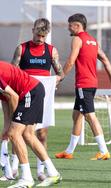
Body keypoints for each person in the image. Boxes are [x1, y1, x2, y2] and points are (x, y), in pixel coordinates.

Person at [5, 18, 63, 181]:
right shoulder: (22, 49)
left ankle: (40, 170)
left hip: (42, 93)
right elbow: (11, 71)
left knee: (42, 133)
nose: (40, 39)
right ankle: (15, 167)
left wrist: (57, 79)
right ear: (32, 31)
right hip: (24, 94)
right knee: (19, 130)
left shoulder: (52, 51)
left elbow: (60, 73)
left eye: (43, 37)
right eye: (38, 35)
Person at [55, 13, 111, 160]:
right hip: (91, 84)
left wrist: (60, 77)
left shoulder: (78, 39)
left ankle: (104, 150)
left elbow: (71, 61)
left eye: (70, 25)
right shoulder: (93, 41)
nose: (68, 28)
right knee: (76, 115)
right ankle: (69, 151)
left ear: (77, 26)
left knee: (90, 116)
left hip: (83, 84)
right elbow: (105, 59)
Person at [0, 61, 61, 187]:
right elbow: (5, 102)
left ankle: (26, 179)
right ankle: (53, 173)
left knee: (14, 134)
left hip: (30, 92)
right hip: (35, 90)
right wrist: (5, 130)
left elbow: (13, 97)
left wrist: (11, 127)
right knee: (27, 135)